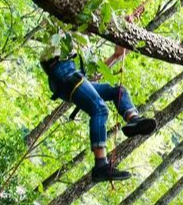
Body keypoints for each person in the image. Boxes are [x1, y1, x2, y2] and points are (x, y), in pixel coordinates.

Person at [40, 37, 157, 182]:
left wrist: (116, 56)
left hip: (72, 76)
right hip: (63, 72)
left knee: (118, 91)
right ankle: (100, 165)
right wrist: (121, 33)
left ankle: (133, 119)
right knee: (100, 110)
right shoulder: (73, 33)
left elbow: (93, 76)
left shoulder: (82, 44)